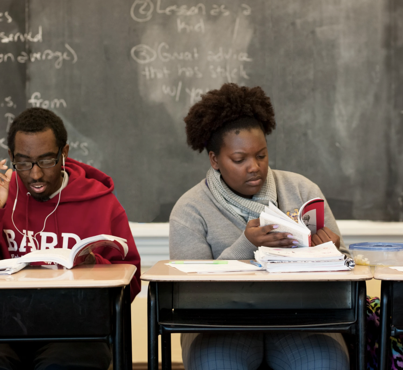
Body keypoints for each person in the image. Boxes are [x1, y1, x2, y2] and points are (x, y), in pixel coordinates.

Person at [169, 83, 350, 370]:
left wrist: (333, 253)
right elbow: (189, 294)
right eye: (239, 159)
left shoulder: (301, 190)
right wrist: (248, 244)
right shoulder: (190, 209)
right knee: (218, 365)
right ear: (214, 159)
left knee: (324, 363)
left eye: (262, 155)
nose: (254, 167)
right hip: (221, 326)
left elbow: (350, 272)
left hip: (300, 319)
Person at [0, 107, 141, 370]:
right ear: (10, 157)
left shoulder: (101, 203)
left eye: (46, 161)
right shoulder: (4, 194)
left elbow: (130, 284)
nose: (36, 175)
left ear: (64, 153)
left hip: (75, 331)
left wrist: (94, 265)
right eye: (23, 163)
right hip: (7, 328)